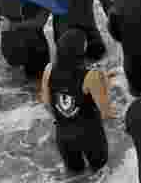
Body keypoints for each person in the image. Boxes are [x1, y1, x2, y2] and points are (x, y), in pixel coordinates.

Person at [39, 29, 116, 174]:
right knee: (100, 173)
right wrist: (105, 82)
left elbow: (46, 103)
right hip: (90, 135)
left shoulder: (49, 69)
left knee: (75, 176)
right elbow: (106, 112)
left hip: (63, 135)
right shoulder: (91, 76)